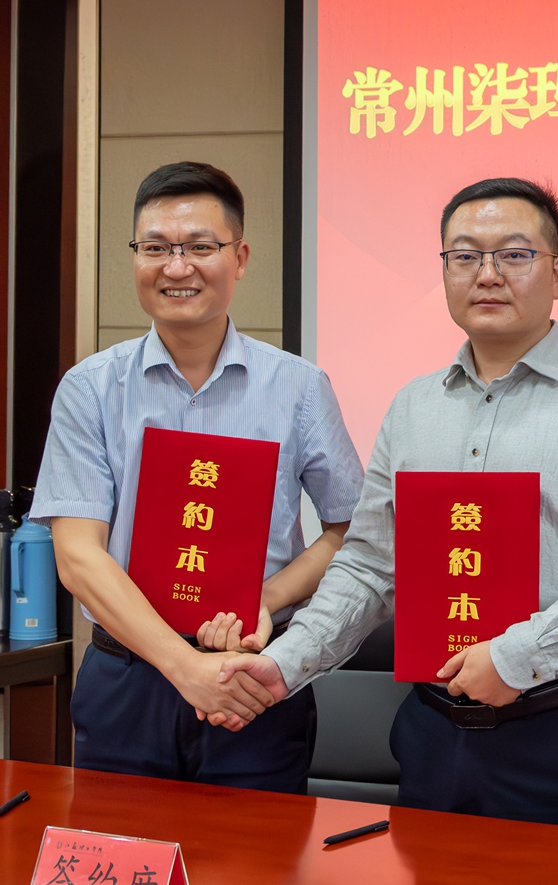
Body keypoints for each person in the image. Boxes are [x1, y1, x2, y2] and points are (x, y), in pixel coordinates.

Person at [211, 177, 558, 825]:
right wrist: (284, 663)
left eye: (514, 254)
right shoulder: (413, 407)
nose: (487, 274)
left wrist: (514, 657)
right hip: (431, 730)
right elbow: (369, 564)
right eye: (465, 256)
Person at [30, 161, 363, 791]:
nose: (176, 267)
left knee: (254, 855)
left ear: (239, 258)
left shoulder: (299, 388)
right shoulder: (91, 388)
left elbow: (350, 532)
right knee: (120, 852)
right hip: (128, 679)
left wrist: (267, 598)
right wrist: (184, 667)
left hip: (253, 675)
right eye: (156, 248)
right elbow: (77, 556)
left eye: (200, 247)